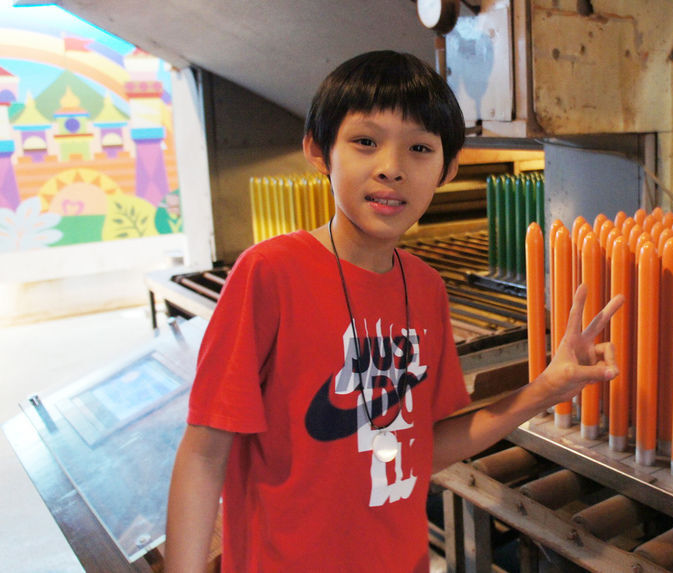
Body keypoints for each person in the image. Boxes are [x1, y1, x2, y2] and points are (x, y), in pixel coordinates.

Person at [165, 50, 622, 572]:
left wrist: (547, 387)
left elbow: (420, 447)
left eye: (420, 149)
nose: (392, 168)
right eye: (365, 142)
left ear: (447, 170)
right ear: (320, 151)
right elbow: (203, 456)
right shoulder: (270, 274)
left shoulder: (425, 288)